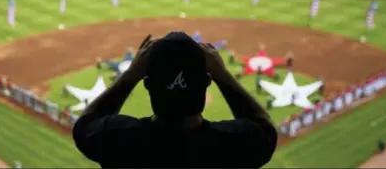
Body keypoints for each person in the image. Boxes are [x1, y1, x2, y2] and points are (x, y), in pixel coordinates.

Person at [73, 32, 277, 168]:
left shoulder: (119, 139)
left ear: (147, 83)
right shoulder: (232, 145)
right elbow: (265, 131)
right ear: (207, 82)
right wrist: (222, 74)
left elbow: (85, 125)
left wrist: (131, 73)